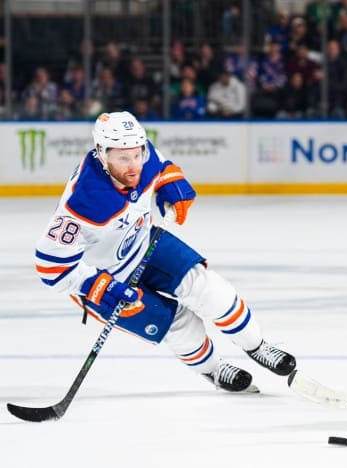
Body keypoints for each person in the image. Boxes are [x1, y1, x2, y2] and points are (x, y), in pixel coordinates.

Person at [34, 111, 295, 393]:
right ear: (102, 154)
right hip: (106, 278)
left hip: (144, 243)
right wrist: (97, 286)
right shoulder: (82, 203)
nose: (134, 165)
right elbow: (51, 267)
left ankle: (257, 346)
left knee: (210, 290)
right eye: (123, 158)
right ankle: (214, 369)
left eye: (137, 154)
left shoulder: (142, 156)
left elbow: (161, 165)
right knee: (177, 324)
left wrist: (171, 182)